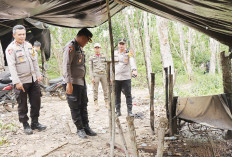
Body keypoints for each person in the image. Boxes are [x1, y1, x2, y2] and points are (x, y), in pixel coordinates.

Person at [5, 25, 46, 135]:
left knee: (36, 102)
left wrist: (38, 74)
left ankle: (35, 122)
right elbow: (12, 67)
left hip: (33, 80)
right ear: (14, 35)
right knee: (22, 105)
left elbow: (34, 61)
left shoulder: (29, 45)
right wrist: (17, 82)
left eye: (23, 34)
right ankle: (25, 124)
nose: (22, 36)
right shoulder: (10, 49)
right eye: (20, 34)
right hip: (21, 82)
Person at [63, 28, 97, 139]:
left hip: (81, 82)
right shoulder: (71, 47)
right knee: (75, 106)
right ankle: (79, 129)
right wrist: (68, 83)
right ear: (82, 37)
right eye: (86, 41)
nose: (86, 43)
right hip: (72, 82)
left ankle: (86, 126)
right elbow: (66, 65)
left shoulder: (79, 48)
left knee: (83, 105)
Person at [114, 38, 137, 117]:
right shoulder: (114, 53)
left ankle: (129, 111)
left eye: (123, 44)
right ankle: (118, 111)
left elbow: (132, 61)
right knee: (117, 95)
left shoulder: (128, 53)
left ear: (125, 45)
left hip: (126, 77)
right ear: (118, 45)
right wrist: (111, 76)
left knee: (128, 95)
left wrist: (134, 70)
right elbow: (111, 65)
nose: (121, 45)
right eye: (120, 44)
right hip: (116, 78)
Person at [89, 43, 108, 111]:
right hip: (96, 74)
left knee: (105, 89)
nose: (97, 49)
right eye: (96, 48)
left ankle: (106, 102)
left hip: (103, 74)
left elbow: (106, 66)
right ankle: (96, 103)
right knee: (95, 90)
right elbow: (90, 68)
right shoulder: (92, 57)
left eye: (98, 47)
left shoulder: (104, 56)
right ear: (94, 49)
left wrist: (108, 76)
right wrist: (92, 77)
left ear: (100, 48)